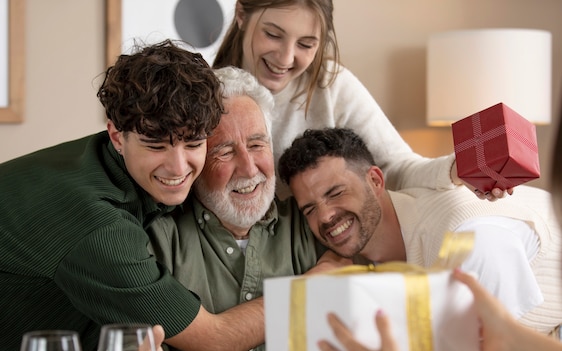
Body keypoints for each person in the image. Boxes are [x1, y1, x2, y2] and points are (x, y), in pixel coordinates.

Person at [0, 40, 263, 351]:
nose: (178, 167)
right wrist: (316, 284)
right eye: (155, 145)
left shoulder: (109, 168)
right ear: (116, 136)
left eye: (193, 143)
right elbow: (214, 340)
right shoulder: (98, 226)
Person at [308, 112, 562, 351]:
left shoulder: (470, 242)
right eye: (309, 208)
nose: (324, 216)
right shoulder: (367, 251)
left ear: (376, 180)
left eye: (336, 193)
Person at [147, 66, 351, 351]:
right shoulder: (159, 240)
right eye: (224, 152)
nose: (248, 167)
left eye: (257, 144)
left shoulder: (310, 223)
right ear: (194, 161)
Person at [213, 0, 509, 201]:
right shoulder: (206, 92)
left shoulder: (331, 84)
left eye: (306, 44)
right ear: (241, 14)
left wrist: (457, 171)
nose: (286, 58)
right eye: (273, 35)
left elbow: (396, 166)